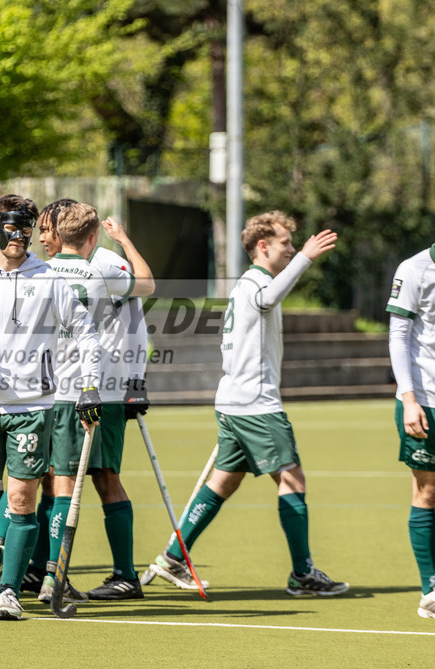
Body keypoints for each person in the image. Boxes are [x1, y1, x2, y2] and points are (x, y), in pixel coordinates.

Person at [146, 210, 348, 596]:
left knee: (224, 481)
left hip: (235, 400)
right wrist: (306, 258)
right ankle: (303, 574)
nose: (292, 248)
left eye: (294, 244)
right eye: (286, 243)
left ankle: (173, 557)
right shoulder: (257, 283)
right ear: (263, 246)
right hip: (255, 404)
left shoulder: (250, 283)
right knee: (292, 479)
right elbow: (267, 300)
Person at [0, 194, 102, 620]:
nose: (20, 237)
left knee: (20, 498)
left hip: (33, 407)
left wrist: (89, 386)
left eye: (27, 230)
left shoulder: (50, 279)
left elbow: (86, 333)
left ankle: (9, 590)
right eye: (12, 229)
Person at [38, 200, 155, 602]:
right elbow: (143, 293)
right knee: (80, 479)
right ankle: (52, 570)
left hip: (82, 389)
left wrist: (135, 378)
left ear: (60, 232)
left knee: (66, 480)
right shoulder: (100, 266)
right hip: (94, 388)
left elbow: (139, 305)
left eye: (47, 229)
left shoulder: (90, 266)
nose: (42, 237)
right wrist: (123, 238)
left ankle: (56, 576)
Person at [386, 245, 435, 618]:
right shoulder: (415, 268)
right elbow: (398, 337)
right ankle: (430, 591)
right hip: (426, 400)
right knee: (428, 491)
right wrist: (409, 400)